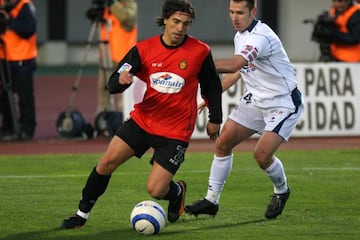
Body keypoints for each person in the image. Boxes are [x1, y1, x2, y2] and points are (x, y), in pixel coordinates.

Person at [60, 0, 223, 229]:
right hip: (143, 121)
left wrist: (215, 118)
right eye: (175, 22)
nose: (179, 29)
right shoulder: (143, 49)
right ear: (165, 20)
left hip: (175, 131)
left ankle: (176, 191)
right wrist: (121, 80)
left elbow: (212, 86)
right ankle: (81, 215)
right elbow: (113, 83)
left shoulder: (200, 51)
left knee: (156, 190)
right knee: (106, 162)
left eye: (185, 24)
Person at [185, 0, 304, 219]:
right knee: (222, 144)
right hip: (256, 100)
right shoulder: (241, 35)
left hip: (282, 102)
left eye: (240, 12)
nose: (234, 17)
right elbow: (240, 70)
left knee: (261, 155)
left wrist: (192, 62)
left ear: (253, 12)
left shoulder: (260, 37)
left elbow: (233, 65)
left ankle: (281, 190)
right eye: (231, 12)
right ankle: (211, 201)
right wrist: (214, 93)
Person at [0, 0, 37, 141]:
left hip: (23, 58)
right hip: (4, 57)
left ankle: (27, 130)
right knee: (4, 97)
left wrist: (10, 21)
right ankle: (8, 128)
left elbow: (28, 30)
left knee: (25, 97)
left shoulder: (25, 6)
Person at [95, 0, 138, 113]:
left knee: (123, 95)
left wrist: (112, 3)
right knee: (104, 92)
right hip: (106, 56)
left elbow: (126, 18)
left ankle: (124, 119)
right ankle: (104, 118)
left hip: (124, 60)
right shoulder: (107, 7)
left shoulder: (129, 4)